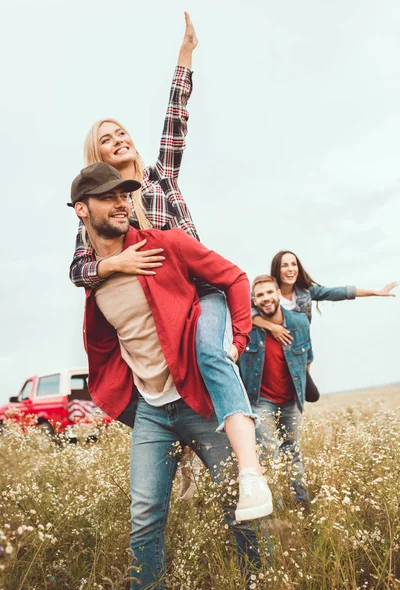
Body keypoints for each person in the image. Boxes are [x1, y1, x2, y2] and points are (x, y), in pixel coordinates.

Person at [69, 12, 262, 501]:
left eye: (122, 132)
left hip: (202, 292)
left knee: (210, 354)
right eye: (107, 139)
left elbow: (176, 121)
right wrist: (112, 265)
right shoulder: (104, 212)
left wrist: (186, 55)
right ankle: (184, 448)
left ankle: (250, 465)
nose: (120, 140)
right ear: (98, 158)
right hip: (163, 309)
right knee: (152, 377)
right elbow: (79, 270)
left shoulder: (160, 179)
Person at [69, 163, 273, 590]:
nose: (123, 203)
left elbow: (234, 277)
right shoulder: (95, 279)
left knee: (236, 503)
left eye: (126, 195)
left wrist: (235, 341)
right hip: (152, 411)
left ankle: (260, 586)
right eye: (110, 197)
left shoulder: (166, 245)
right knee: (144, 518)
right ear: (81, 210)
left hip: (198, 400)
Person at [240, 275, 313, 509]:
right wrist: (270, 327)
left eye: (270, 293)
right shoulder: (247, 326)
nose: (266, 298)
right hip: (261, 401)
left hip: (290, 401)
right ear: (254, 300)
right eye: (260, 295)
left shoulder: (299, 323)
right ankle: (278, 509)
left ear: (279, 293)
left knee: (293, 453)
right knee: (269, 454)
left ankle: (302, 508)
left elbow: (307, 358)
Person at [253, 250, 397, 346]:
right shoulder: (266, 292)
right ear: (277, 269)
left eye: (294, 264)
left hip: (299, 348)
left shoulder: (305, 292)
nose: (291, 269)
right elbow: (247, 311)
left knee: (311, 393)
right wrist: (273, 328)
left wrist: (376, 292)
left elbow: (338, 292)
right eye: (285, 265)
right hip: (269, 348)